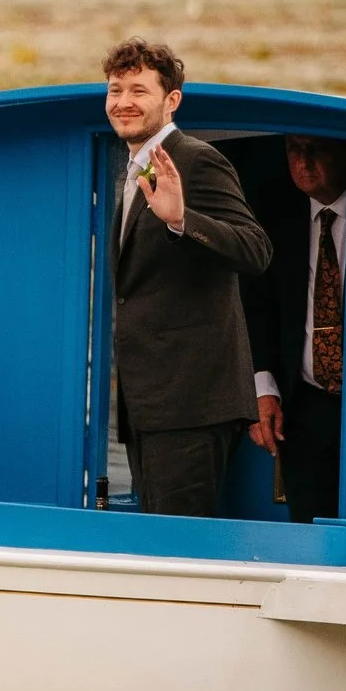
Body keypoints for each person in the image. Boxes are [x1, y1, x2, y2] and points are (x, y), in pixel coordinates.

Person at [103, 40, 270, 519]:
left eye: (140, 89)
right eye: (116, 90)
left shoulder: (196, 159)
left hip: (192, 403)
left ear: (171, 100)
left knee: (177, 545)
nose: (124, 102)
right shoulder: (137, 168)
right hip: (150, 403)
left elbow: (255, 249)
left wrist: (182, 220)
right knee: (157, 538)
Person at [248, 134, 346, 522]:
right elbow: (257, 306)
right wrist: (264, 388)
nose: (302, 162)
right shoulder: (276, 211)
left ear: (344, 149)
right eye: (294, 150)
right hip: (305, 403)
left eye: (315, 149)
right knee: (308, 523)